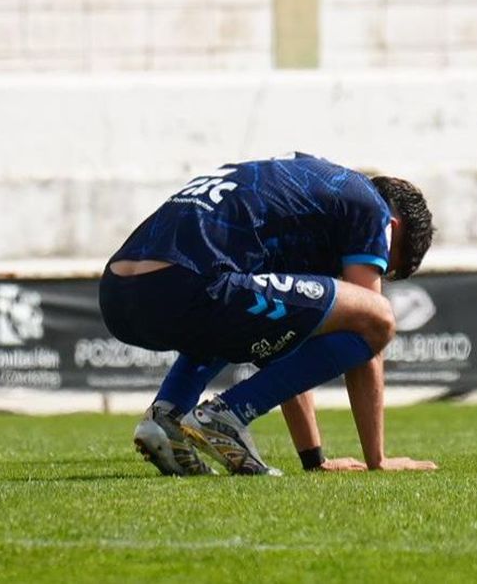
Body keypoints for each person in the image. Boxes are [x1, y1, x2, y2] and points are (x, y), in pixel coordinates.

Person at [99, 152, 437, 476]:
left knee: (239, 306)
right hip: (187, 284)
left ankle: (166, 418)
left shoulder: (306, 193)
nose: (372, 269)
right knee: (378, 315)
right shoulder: (371, 208)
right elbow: (371, 324)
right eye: (382, 263)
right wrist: (377, 458)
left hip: (117, 293)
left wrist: (313, 458)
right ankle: (224, 416)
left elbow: (286, 334)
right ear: (391, 227)